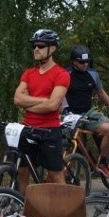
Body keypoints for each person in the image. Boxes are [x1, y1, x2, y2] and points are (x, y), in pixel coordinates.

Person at [13, 29, 70, 188]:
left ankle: (64, 211)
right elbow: (17, 99)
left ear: (52, 49)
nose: (36, 49)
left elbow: (53, 105)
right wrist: (43, 101)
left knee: (55, 174)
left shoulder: (61, 74)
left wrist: (30, 104)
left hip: (50, 131)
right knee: (22, 171)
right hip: (28, 128)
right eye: (34, 46)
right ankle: (23, 206)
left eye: (41, 46)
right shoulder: (29, 73)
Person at [64, 44, 109, 178]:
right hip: (70, 114)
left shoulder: (93, 74)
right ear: (74, 61)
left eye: (87, 61)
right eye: (82, 62)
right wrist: (62, 111)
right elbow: (59, 95)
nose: (85, 64)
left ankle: (103, 162)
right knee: (62, 139)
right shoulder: (66, 74)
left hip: (88, 113)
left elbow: (101, 93)